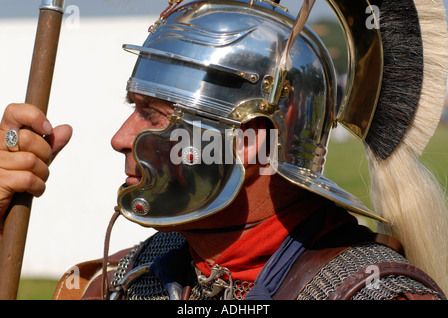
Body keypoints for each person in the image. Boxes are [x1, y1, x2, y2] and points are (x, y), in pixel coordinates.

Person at [1, 0, 448, 300]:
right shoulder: (118, 284)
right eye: (131, 108)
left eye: (152, 115)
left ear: (253, 142)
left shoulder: (373, 293)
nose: (120, 137)